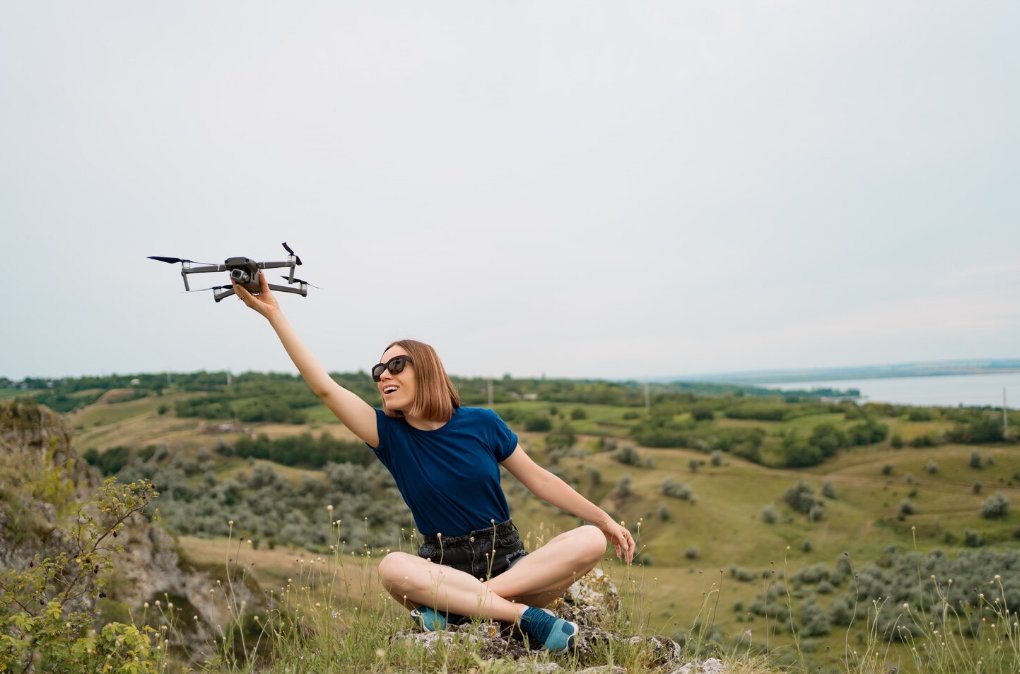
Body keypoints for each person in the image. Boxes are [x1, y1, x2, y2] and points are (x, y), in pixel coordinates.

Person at [233, 275, 636, 651]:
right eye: (378, 370)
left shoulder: (482, 423)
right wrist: (274, 314)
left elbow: (541, 480)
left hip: (511, 564)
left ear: (425, 369)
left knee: (589, 540)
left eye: (396, 365)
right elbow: (324, 387)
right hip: (441, 569)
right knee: (392, 567)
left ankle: (460, 611)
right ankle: (520, 616)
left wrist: (603, 519)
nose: (383, 375)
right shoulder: (387, 434)